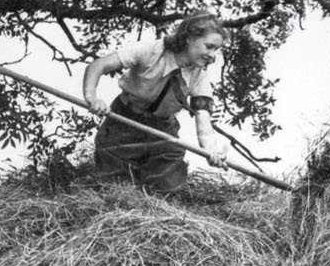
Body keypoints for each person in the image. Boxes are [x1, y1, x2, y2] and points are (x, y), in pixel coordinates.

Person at [82, 11, 230, 193]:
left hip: (162, 130)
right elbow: (98, 65)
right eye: (209, 46)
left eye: (216, 50)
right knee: (115, 187)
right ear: (189, 38)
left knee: (168, 187)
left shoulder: (200, 76)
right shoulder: (151, 51)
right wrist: (92, 97)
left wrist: (211, 151)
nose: (213, 55)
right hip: (123, 121)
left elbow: (204, 121)